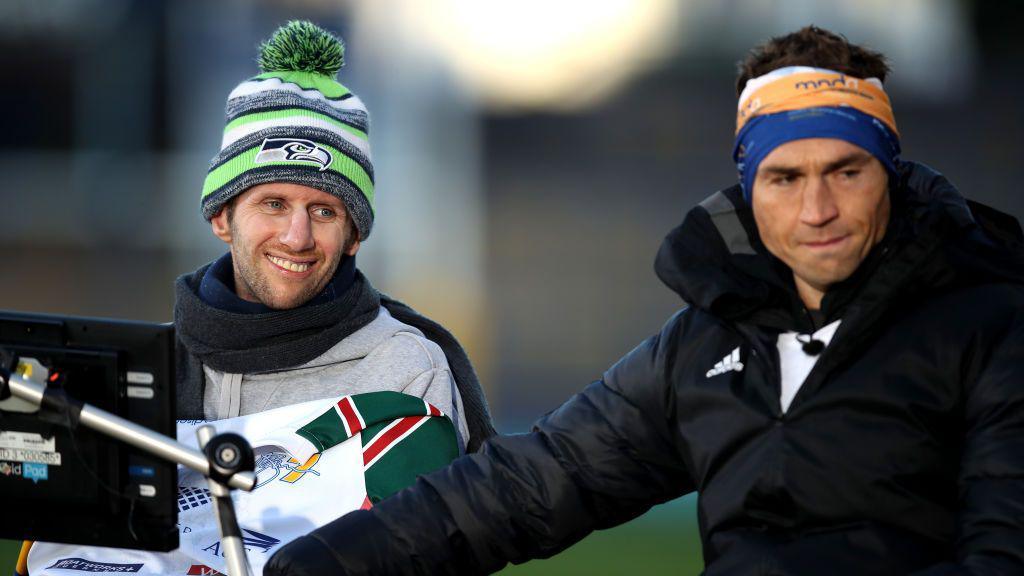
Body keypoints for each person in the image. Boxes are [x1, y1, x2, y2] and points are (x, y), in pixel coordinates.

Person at [264, 26, 1024, 575]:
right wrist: (321, 563)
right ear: (749, 191)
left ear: (890, 172)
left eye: (846, 171)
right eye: (785, 179)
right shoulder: (705, 342)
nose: (817, 208)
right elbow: (529, 486)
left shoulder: (992, 327)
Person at [15, 20, 496, 576]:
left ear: (355, 236)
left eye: (324, 211)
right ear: (222, 216)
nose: (297, 237)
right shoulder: (155, 367)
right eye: (272, 203)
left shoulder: (406, 367)